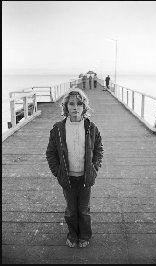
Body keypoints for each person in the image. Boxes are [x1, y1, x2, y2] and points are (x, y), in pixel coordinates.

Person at [46, 88, 103, 248]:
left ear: (84, 107)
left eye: (79, 103)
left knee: (83, 210)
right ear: (66, 107)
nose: (75, 107)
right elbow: (51, 153)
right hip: (67, 178)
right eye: (71, 103)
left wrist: (94, 168)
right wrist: (58, 173)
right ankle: (73, 234)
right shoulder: (58, 129)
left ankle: (84, 235)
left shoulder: (91, 128)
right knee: (71, 210)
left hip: (86, 178)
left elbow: (99, 149)